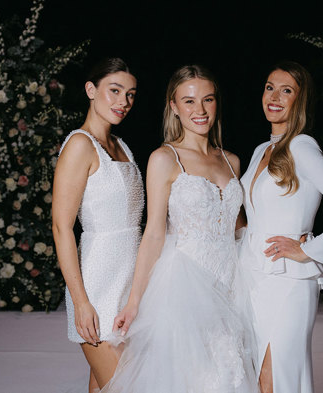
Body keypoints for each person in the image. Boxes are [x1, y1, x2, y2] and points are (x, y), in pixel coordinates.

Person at [101, 65, 259, 392]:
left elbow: (238, 226)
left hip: (231, 286)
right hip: (185, 290)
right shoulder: (164, 158)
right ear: (173, 106)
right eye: (188, 101)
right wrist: (134, 303)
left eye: (207, 100)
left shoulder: (232, 160)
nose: (199, 110)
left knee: (230, 375)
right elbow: (155, 233)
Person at [239, 60, 323, 393]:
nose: (275, 97)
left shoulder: (302, 147)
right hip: (254, 277)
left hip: (289, 282)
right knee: (260, 378)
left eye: (287, 91)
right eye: (270, 87)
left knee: (277, 376)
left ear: (301, 100)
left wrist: (309, 250)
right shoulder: (261, 150)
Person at [52, 58, 144, 393]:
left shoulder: (123, 147)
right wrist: (81, 302)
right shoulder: (80, 145)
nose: (123, 102)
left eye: (131, 94)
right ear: (91, 90)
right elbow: (62, 228)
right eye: (115, 91)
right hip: (97, 288)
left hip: (128, 289)